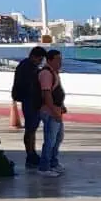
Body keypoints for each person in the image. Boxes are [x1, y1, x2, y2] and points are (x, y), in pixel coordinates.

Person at [11, 46, 47, 171]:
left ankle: (31, 154)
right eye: (40, 59)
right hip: (30, 101)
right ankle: (30, 155)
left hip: (29, 100)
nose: (41, 62)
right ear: (34, 57)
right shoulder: (28, 67)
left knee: (31, 128)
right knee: (30, 128)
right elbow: (30, 86)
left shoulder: (26, 66)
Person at [38, 49, 66, 177]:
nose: (60, 62)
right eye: (57, 59)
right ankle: (44, 167)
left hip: (56, 110)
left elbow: (56, 92)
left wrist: (61, 106)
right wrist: (54, 111)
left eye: (60, 59)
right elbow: (46, 93)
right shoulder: (46, 73)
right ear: (49, 60)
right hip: (49, 112)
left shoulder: (54, 72)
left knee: (58, 138)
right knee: (50, 140)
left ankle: (53, 163)